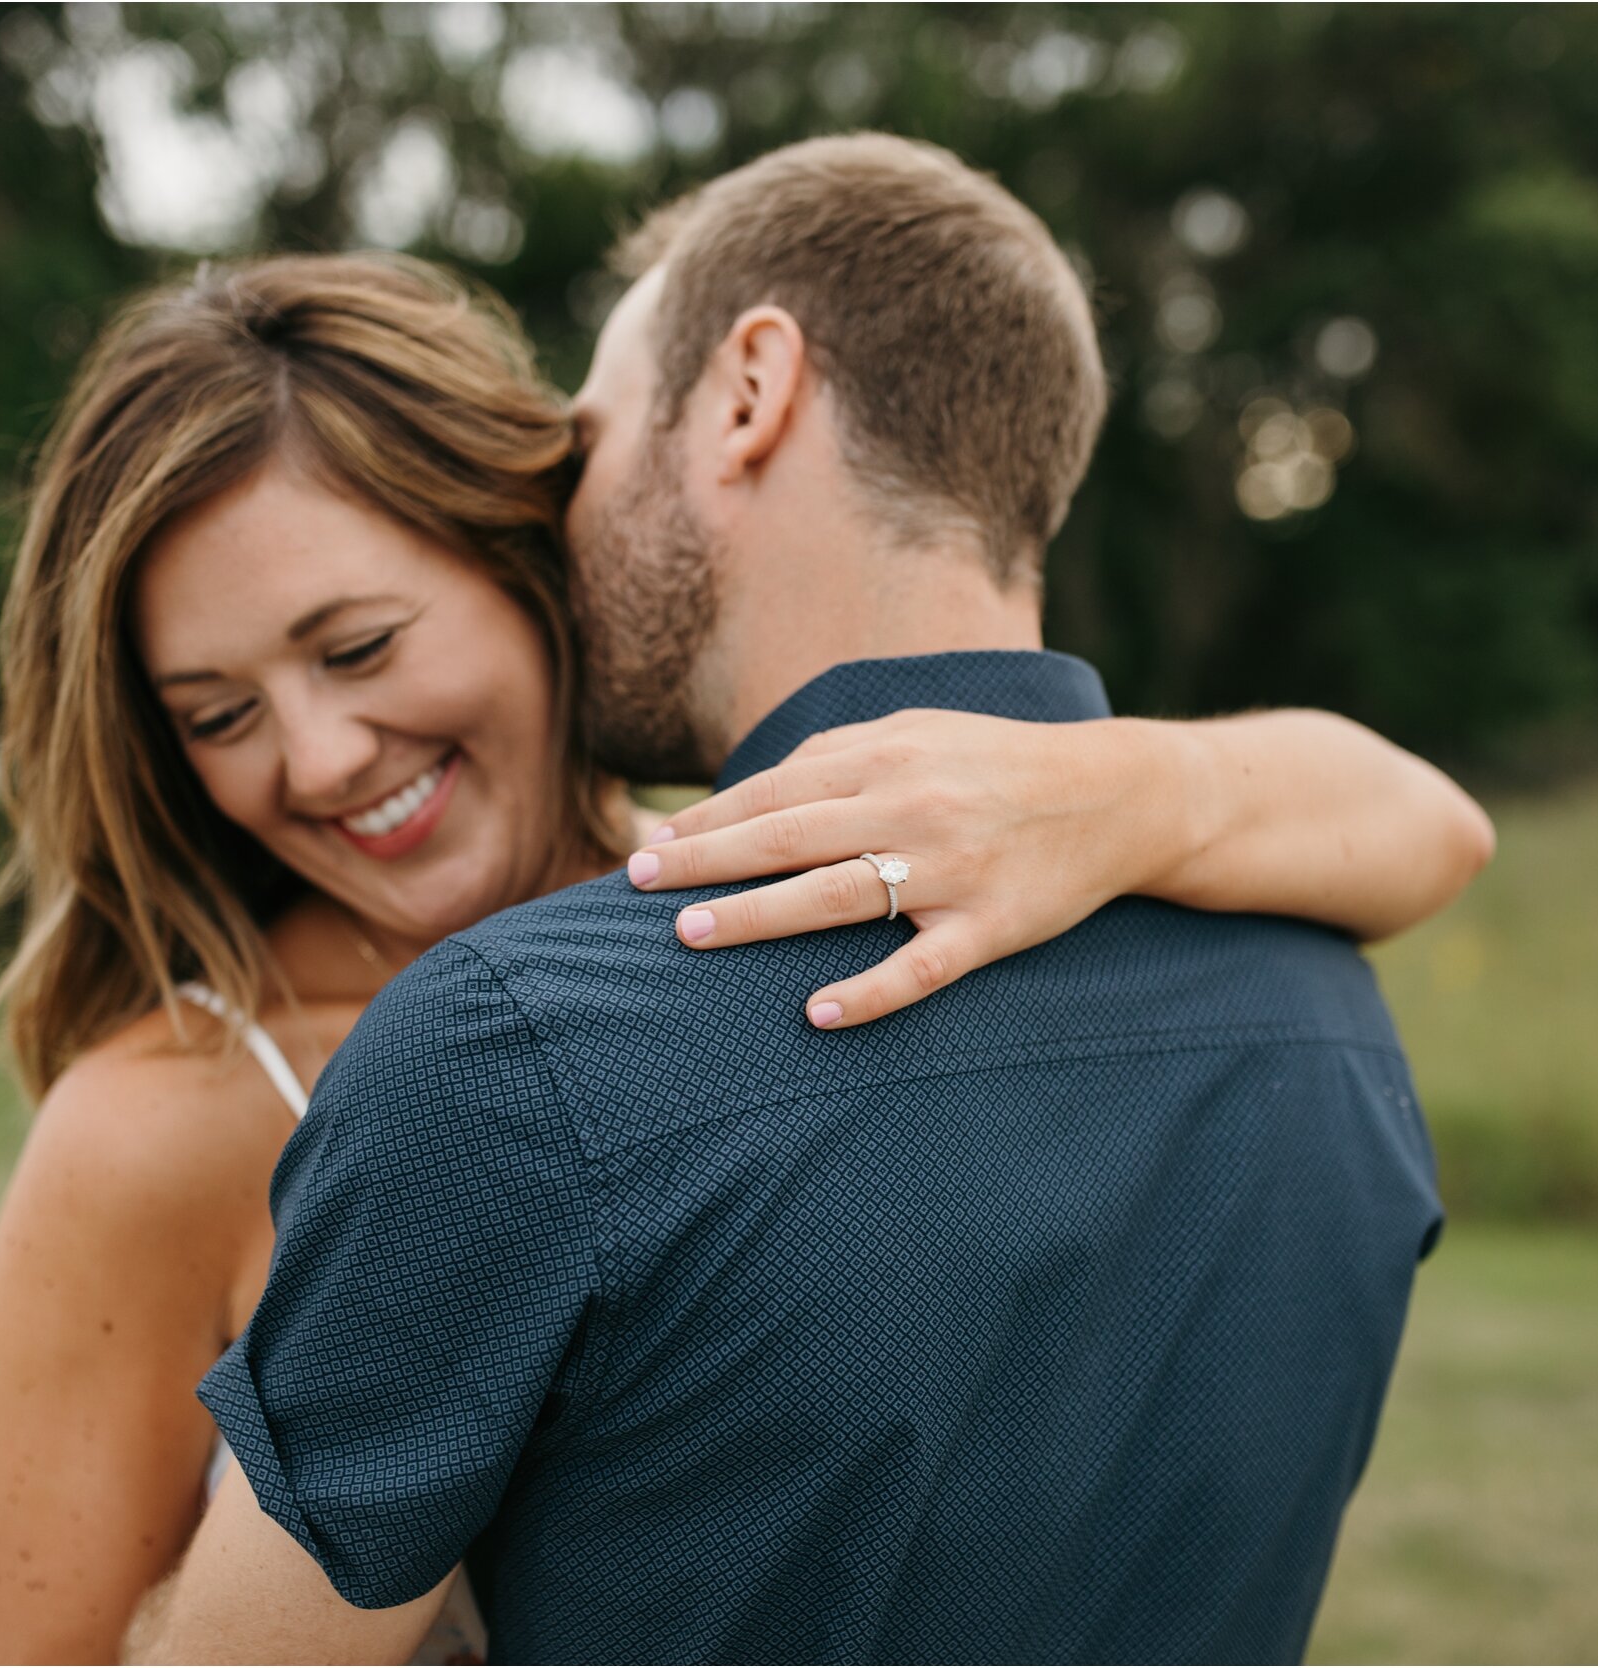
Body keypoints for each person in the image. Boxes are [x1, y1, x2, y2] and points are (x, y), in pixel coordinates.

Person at [127, 134, 1459, 1665]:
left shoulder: (510, 1055)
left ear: (749, 392)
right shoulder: (1333, 1015)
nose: (559, 526)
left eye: (596, 438)